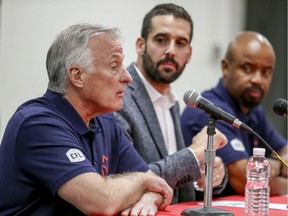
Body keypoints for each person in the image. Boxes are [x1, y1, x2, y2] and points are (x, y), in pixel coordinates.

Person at [0, 23, 174, 216]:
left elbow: (157, 185)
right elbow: (101, 201)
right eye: (115, 66)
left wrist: (149, 196)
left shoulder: (104, 121)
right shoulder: (37, 124)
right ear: (77, 75)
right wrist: (142, 183)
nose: (127, 77)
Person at [114, 3, 228, 204]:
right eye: (161, 40)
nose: (171, 51)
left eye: (181, 43)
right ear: (140, 45)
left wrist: (206, 175)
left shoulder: (172, 102)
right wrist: (193, 155)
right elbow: (126, 180)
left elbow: (174, 182)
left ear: (189, 54)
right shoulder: (119, 98)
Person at [181, 31, 288, 196]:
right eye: (248, 68)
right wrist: (277, 165)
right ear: (225, 67)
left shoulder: (254, 111)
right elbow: (246, 180)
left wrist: (277, 165)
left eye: (266, 72)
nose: (258, 79)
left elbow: (284, 150)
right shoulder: (210, 110)